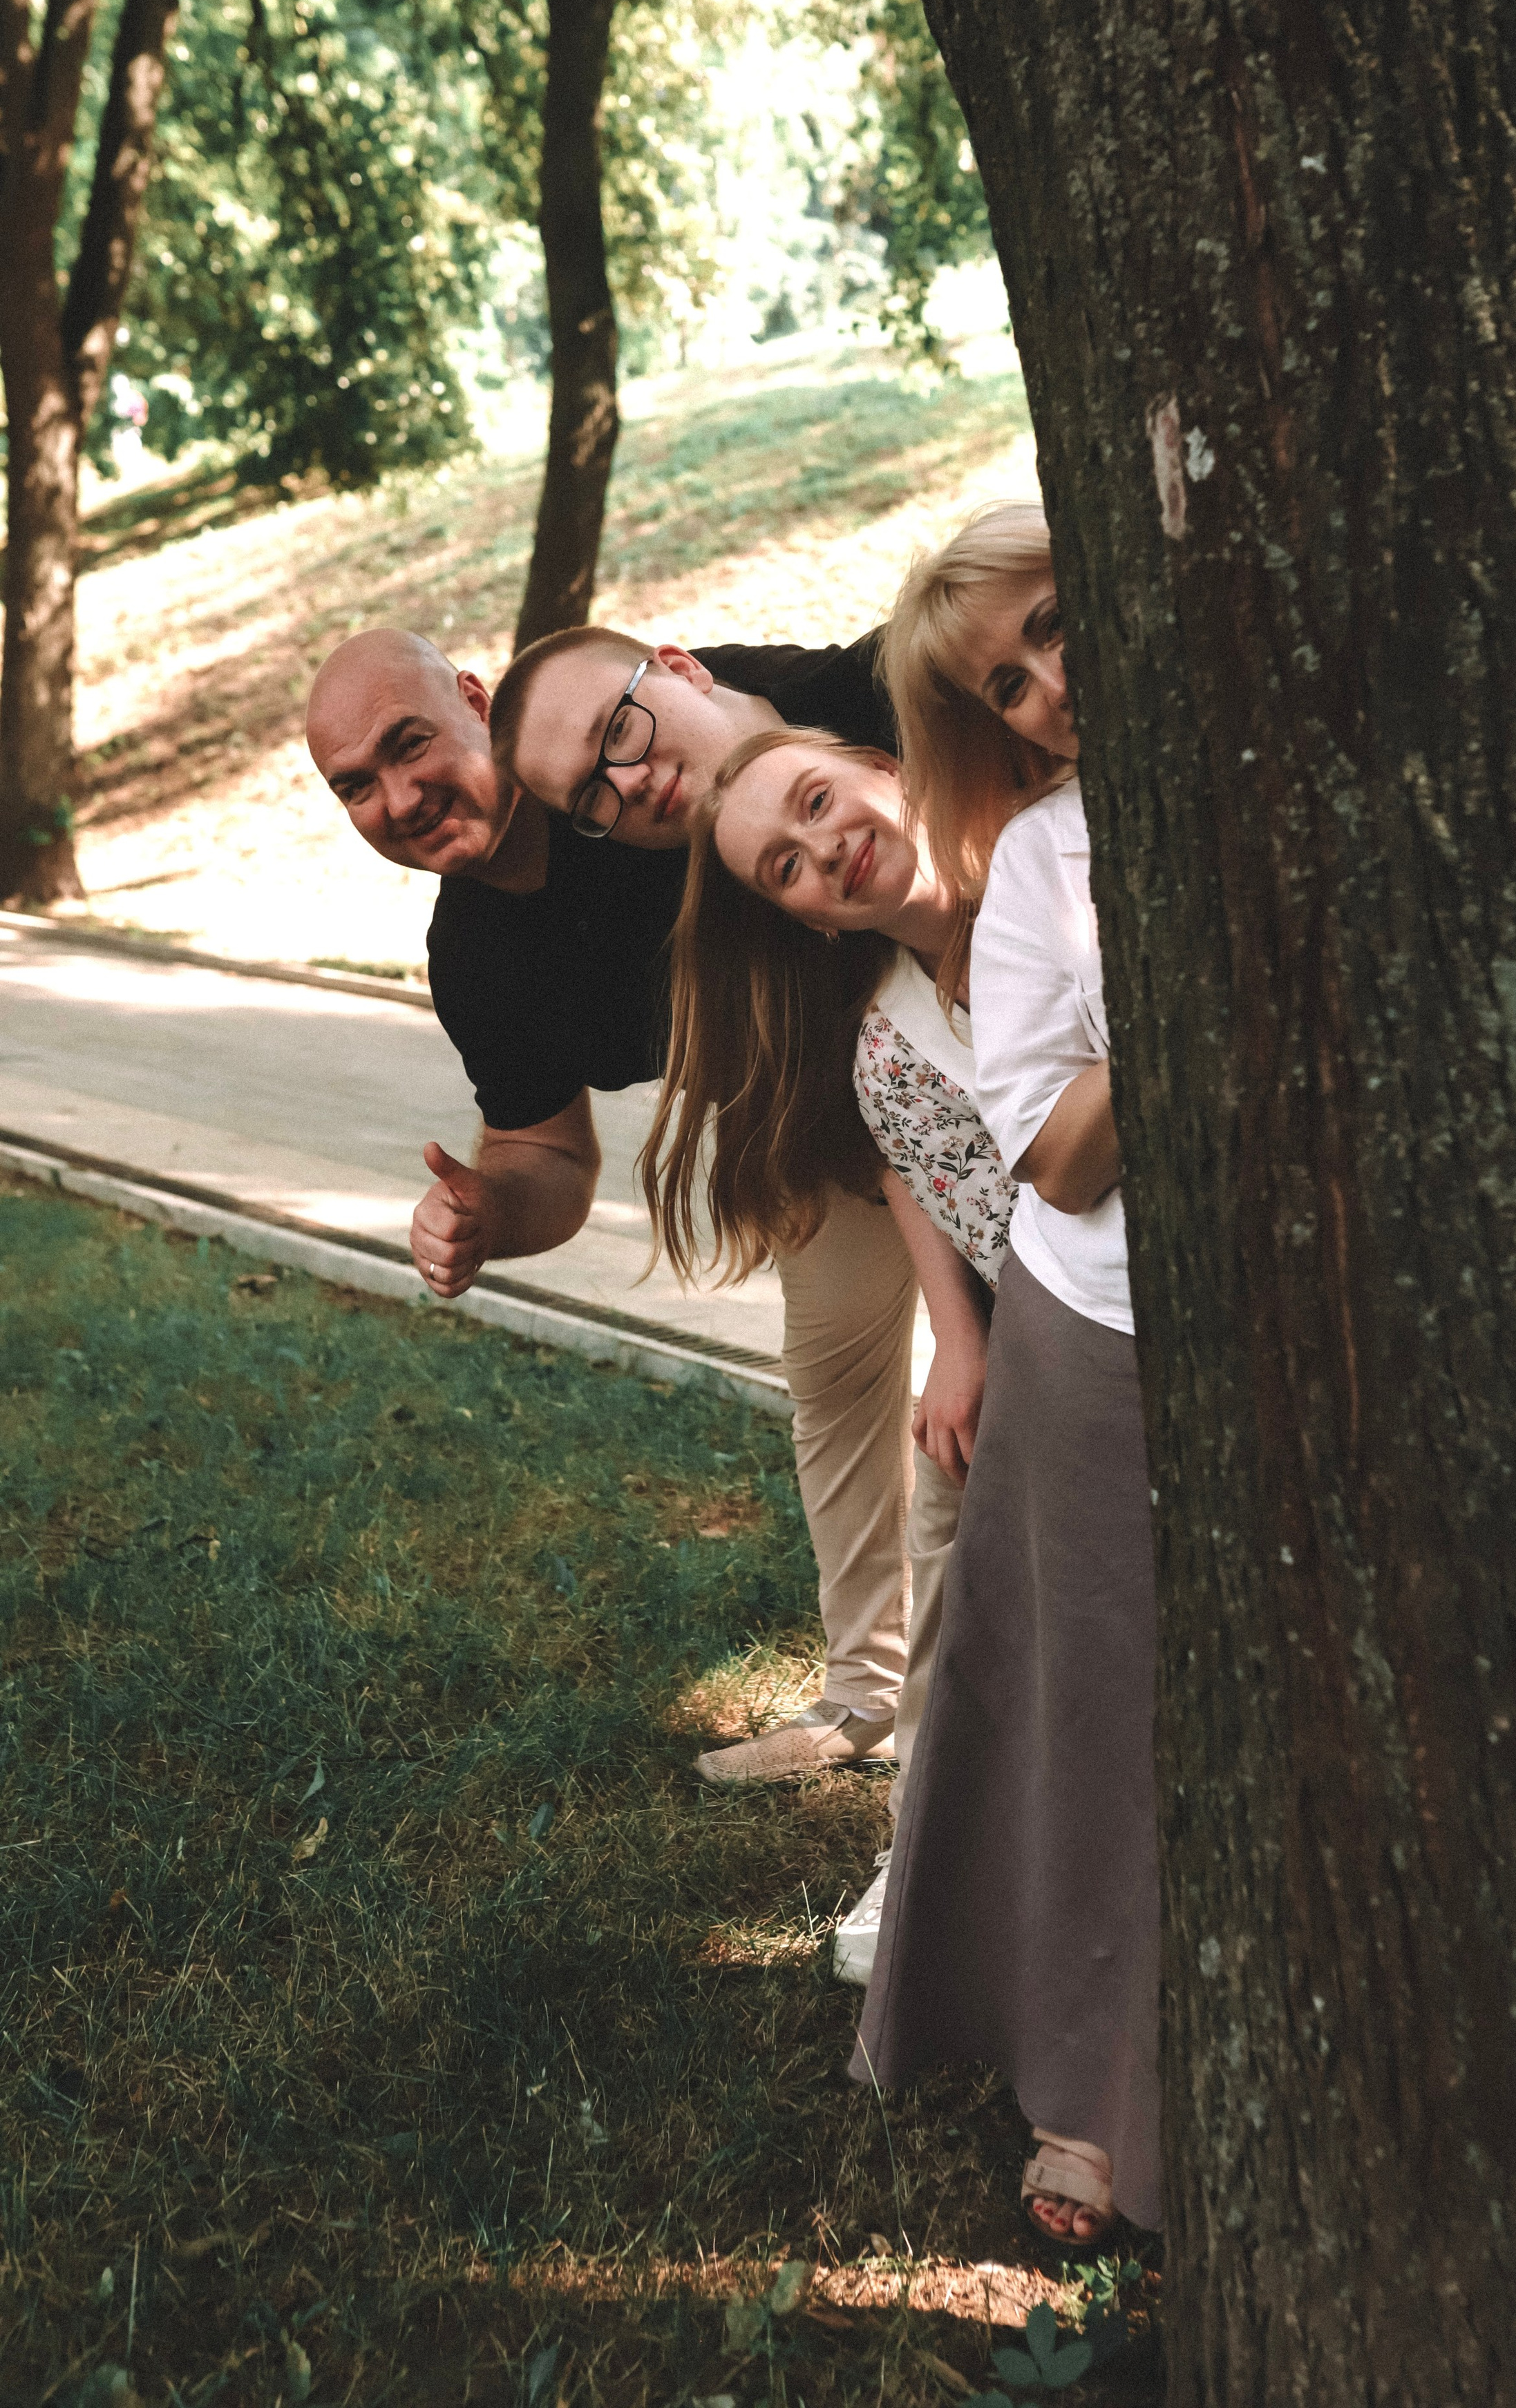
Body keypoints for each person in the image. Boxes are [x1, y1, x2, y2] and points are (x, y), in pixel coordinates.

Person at [304, 620, 960, 1806]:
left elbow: (884, 674)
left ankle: (963, 1732)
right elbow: (544, 1152)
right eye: (356, 786)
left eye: (410, 746)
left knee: (985, 1409)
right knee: (838, 1404)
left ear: (471, 697)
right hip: (820, 1145)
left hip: (965, 1074)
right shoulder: (477, 957)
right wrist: (486, 1214)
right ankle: (866, 1700)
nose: (400, 797)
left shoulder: (639, 734)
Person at [845, 501, 1159, 2249]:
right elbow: (1049, 1154)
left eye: (1053, 624)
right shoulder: (1046, 860)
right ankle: (1085, 2091)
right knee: (1095, 1706)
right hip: (1098, 1324)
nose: (1048, 685)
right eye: (1007, 680)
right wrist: (1164, 974)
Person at [643, 723, 1018, 1973]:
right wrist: (955, 1348)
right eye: (785, 868)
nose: (824, 849)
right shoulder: (880, 1033)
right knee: (944, 1514)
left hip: (1122, 1306)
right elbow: (919, 1176)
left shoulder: (1047, 878)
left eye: (819, 802)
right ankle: (917, 1856)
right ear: (802, 922)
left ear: (884, 767)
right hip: (1034, 1317)